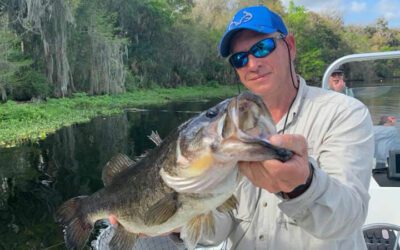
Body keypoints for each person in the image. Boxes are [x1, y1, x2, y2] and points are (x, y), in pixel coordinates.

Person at [193, 5, 374, 249]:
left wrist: (302, 185)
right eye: (240, 58)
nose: (252, 64)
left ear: (290, 46)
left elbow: (346, 219)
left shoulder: (345, 113)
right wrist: (177, 218)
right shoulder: (226, 132)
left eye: (262, 48)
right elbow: (220, 226)